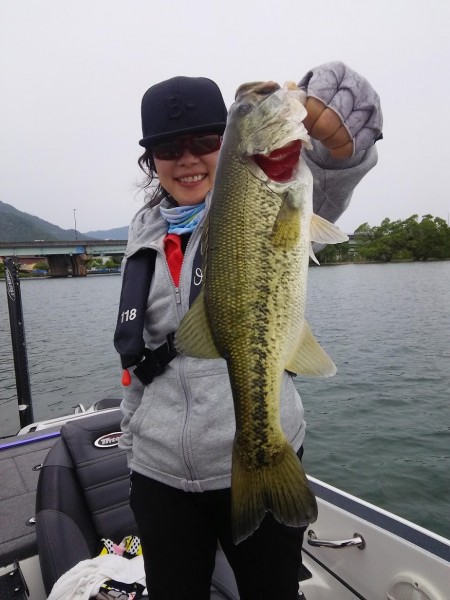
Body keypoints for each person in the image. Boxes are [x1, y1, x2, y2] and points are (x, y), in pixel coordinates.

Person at [116, 63, 382, 600]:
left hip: (255, 453)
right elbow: (138, 356)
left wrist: (341, 136)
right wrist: (132, 443)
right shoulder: (142, 235)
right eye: (168, 149)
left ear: (229, 145)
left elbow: (335, 169)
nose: (187, 159)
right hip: (158, 474)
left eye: (205, 142)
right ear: (151, 162)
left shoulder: (272, 190)